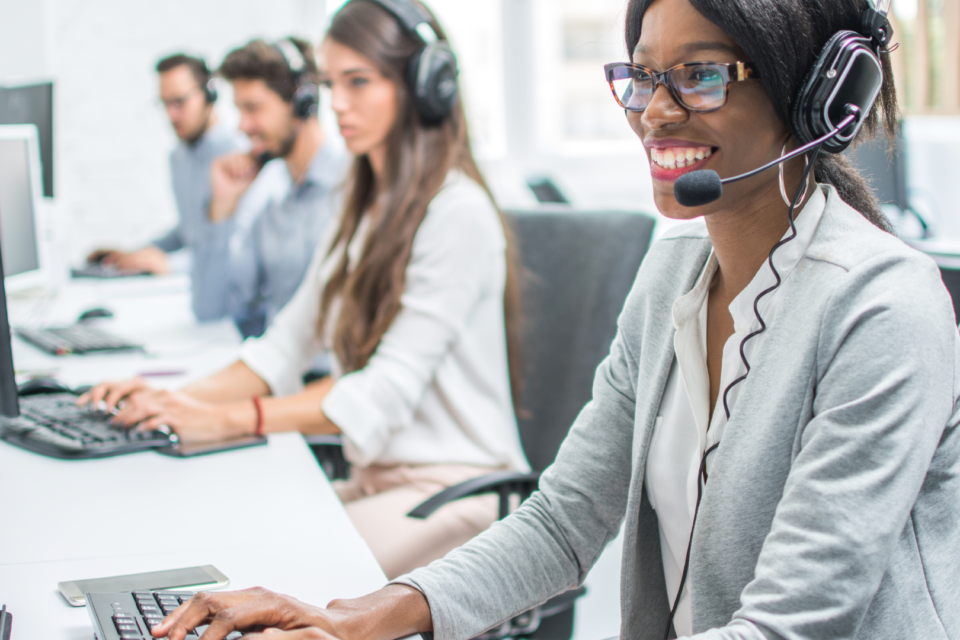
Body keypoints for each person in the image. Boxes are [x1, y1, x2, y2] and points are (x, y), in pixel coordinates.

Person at [150, 0, 960, 639]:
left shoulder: (883, 307)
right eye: (642, 78)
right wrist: (353, 617)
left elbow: (791, 627)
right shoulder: (674, 274)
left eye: (702, 74)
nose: (655, 113)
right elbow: (564, 520)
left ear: (819, 95)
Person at [81, 0, 528, 581]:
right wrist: (170, 401)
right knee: (213, 547)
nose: (336, 103)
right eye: (329, 83)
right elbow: (283, 348)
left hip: (457, 489)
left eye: (358, 82)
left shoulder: (456, 213)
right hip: (377, 479)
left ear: (426, 86)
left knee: (276, 584)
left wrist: (224, 420)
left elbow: (378, 394)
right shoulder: (363, 206)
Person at [203, 37, 349, 337]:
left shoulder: (352, 188)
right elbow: (213, 310)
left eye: (253, 108)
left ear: (301, 103)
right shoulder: (269, 203)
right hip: (281, 376)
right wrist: (222, 209)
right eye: (239, 110)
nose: (243, 126)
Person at [88, 54, 247, 282]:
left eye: (179, 102)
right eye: (164, 103)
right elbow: (188, 234)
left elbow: (236, 247)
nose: (171, 115)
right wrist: (137, 255)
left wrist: (169, 264)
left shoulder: (239, 157)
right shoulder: (178, 158)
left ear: (209, 95)